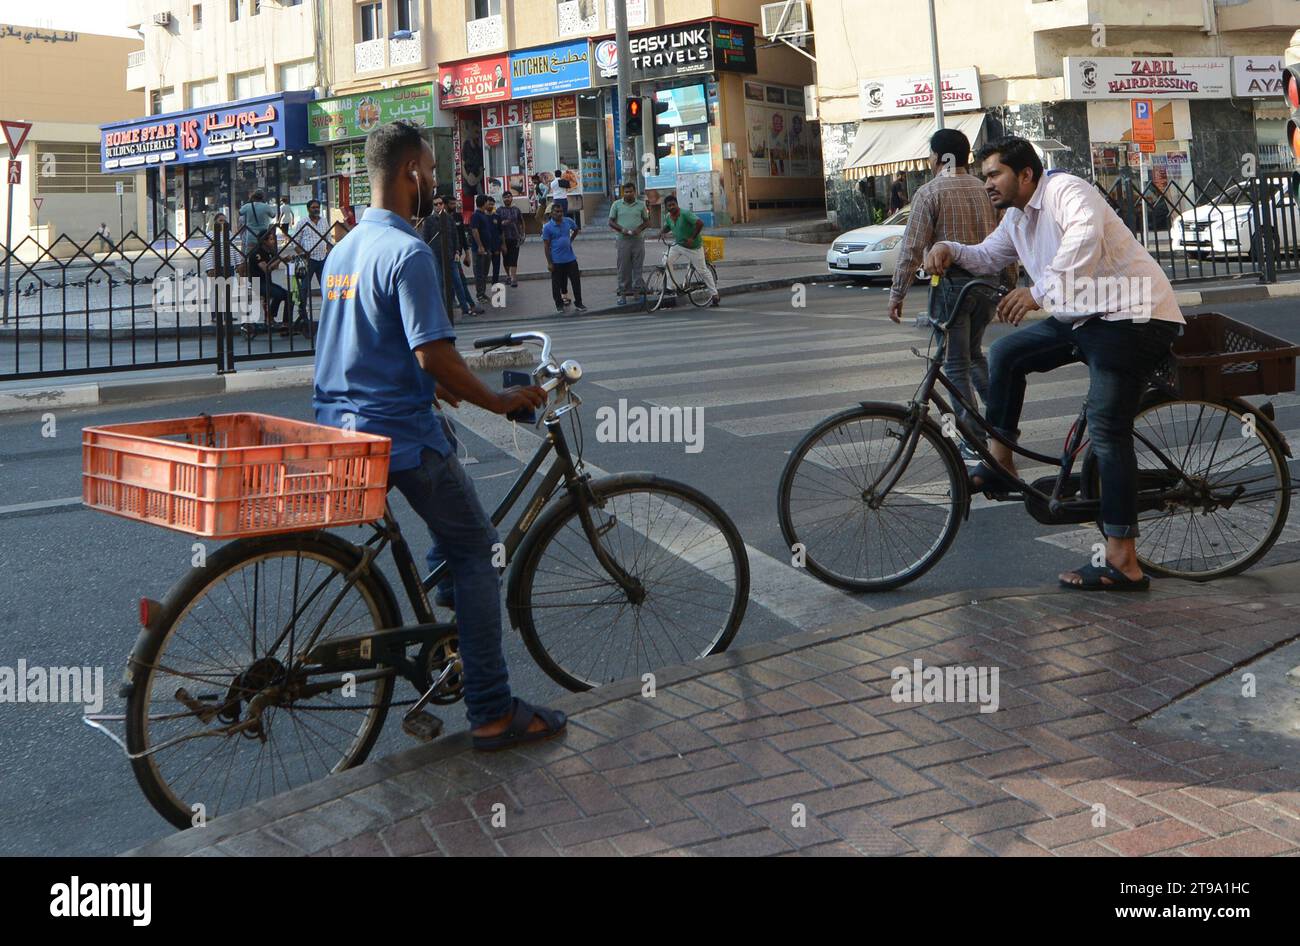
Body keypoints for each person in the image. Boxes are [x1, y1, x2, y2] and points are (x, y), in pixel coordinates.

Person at [312, 120, 564, 749]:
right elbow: (433, 355)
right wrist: (499, 400)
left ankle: (447, 600)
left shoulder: (342, 252)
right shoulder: (410, 251)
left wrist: (440, 388)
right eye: (430, 169)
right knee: (479, 549)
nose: (436, 181)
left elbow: (376, 346)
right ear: (409, 174)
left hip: (341, 430)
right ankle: (492, 709)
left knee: (450, 479)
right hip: (396, 436)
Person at [922, 136, 1185, 591]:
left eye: (994, 175)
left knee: (1106, 428)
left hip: (1134, 316)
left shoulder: (1067, 191)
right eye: (984, 175)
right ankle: (1003, 461)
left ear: (1025, 174)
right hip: (1085, 316)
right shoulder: (1017, 218)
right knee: (1006, 353)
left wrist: (1038, 291)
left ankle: (1123, 560)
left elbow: (1083, 237)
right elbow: (986, 255)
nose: (987, 184)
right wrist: (948, 247)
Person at [888, 128, 1017, 453]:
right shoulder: (985, 188)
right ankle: (1002, 426)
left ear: (937, 157)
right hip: (987, 284)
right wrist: (1009, 287)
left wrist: (897, 293)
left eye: (930, 155)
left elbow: (912, 247)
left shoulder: (930, 193)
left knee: (955, 363)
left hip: (951, 288)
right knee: (973, 356)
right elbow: (1009, 239)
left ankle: (973, 438)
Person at [661, 193, 719, 306]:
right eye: (669, 206)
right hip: (679, 245)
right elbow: (668, 225)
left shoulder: (685, 214)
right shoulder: (668, 216)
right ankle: (671, 287)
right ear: (666, 207)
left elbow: (700, 223)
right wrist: (662, 232)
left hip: (693, 247)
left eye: (673, 204)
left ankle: (714, 294)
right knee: (666, 261)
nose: (671, 207)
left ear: (677, 204)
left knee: (702, 270)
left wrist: (692, 238)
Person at [240, 227, 291, 338]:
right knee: (285, 295)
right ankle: (279, 322)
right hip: (257, 284)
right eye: (271, 239)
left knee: (284, 294)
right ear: (264, 241)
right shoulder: (257, 253)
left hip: (267, 282)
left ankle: (273, 319)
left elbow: (274, 267)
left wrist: (281, 259)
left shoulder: (270, 252)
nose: (273, 241)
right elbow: (266, 268)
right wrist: (280, 260)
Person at [291, 199, 331, 331]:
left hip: (322, 258)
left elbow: (328, 238)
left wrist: (329, 252)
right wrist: (303, 255)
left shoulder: (324, 221)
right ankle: (303, 313)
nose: (316, 209)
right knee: (304, 287)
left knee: (326, 285)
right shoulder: (303, 222)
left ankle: (329, 313)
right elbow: (295, 242)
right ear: (308, 209)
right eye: (313, 207)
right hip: (309, 259)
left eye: (317, 207)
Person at [609, 181, 649, 305]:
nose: (628, 194)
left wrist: (639, 229)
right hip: (623, 240)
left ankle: (638, 293)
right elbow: (610, 221)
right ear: (623, 193)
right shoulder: (616, 204)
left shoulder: (641, 205)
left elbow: (647, 221)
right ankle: (623, 295)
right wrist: (622, 229)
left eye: (631, 191)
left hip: (638, 240)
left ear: (635, 192)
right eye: (626, 192)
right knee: (623, 268)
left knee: (638, 267)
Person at [542, 200, 585, 313]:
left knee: (576, 281)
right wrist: (549, 263)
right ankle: (559, 304)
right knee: (556, 284)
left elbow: (575, 230)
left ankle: (579, 303)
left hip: (571, 259)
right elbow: (546, 246)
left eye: (561, 211)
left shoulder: (568, 221)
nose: (559, 214)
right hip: (556, 261)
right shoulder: (547, 227)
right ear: (551, 213)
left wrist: (570, 240)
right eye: (556, 211)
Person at [468, 194, 502, 302]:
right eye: (488, 202)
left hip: (487, 249)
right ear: (484, 203)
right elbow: (474, 230)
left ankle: (483, 293)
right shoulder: (476, 215)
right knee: (479, 273)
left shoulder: (484, 215)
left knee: (484, 273)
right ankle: (479, 295)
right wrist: (480, 246)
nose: (489, 204)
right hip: (479, 250)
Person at [497, 190, 525, 288]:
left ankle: (513, 278)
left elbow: (521, 222)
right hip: (504, 238)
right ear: (503, 199)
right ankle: (508, 275)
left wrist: (522, 234)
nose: (507, 199)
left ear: (512, 198)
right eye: (505, 197)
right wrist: (501, 223)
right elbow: (496, 224)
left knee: (514, 257)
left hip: (515, 237)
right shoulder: (499, 210)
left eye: (509, 197)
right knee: (506, 258)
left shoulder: (516, 209)